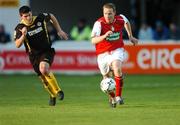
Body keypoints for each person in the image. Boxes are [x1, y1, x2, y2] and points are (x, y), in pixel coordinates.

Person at [14, 6, 68, 106]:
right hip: (33, 55)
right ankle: (52, 95)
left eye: (30, 15)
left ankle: (58, 91)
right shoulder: (19, 28)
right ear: (21, 17)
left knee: (43, 68)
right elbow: (17, 45)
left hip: (46, 50)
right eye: (26, 16)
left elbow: (51, 16)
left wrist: (59, 30)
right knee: (43, 78)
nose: (29, 18)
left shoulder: (40, 18)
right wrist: (23, 35)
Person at [91, 3, 138, 108]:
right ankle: (112, 98)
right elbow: (93, 40)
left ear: (114, 13)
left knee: (117, 68)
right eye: (105, 13)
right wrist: (104, 36)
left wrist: (130, 36)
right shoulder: (99, 23)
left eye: (110, 13)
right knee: (106, 79)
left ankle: (118, 96)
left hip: (117, 49)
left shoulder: (120, 19)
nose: (107, 16)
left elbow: (126, 22)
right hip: (102, 54)